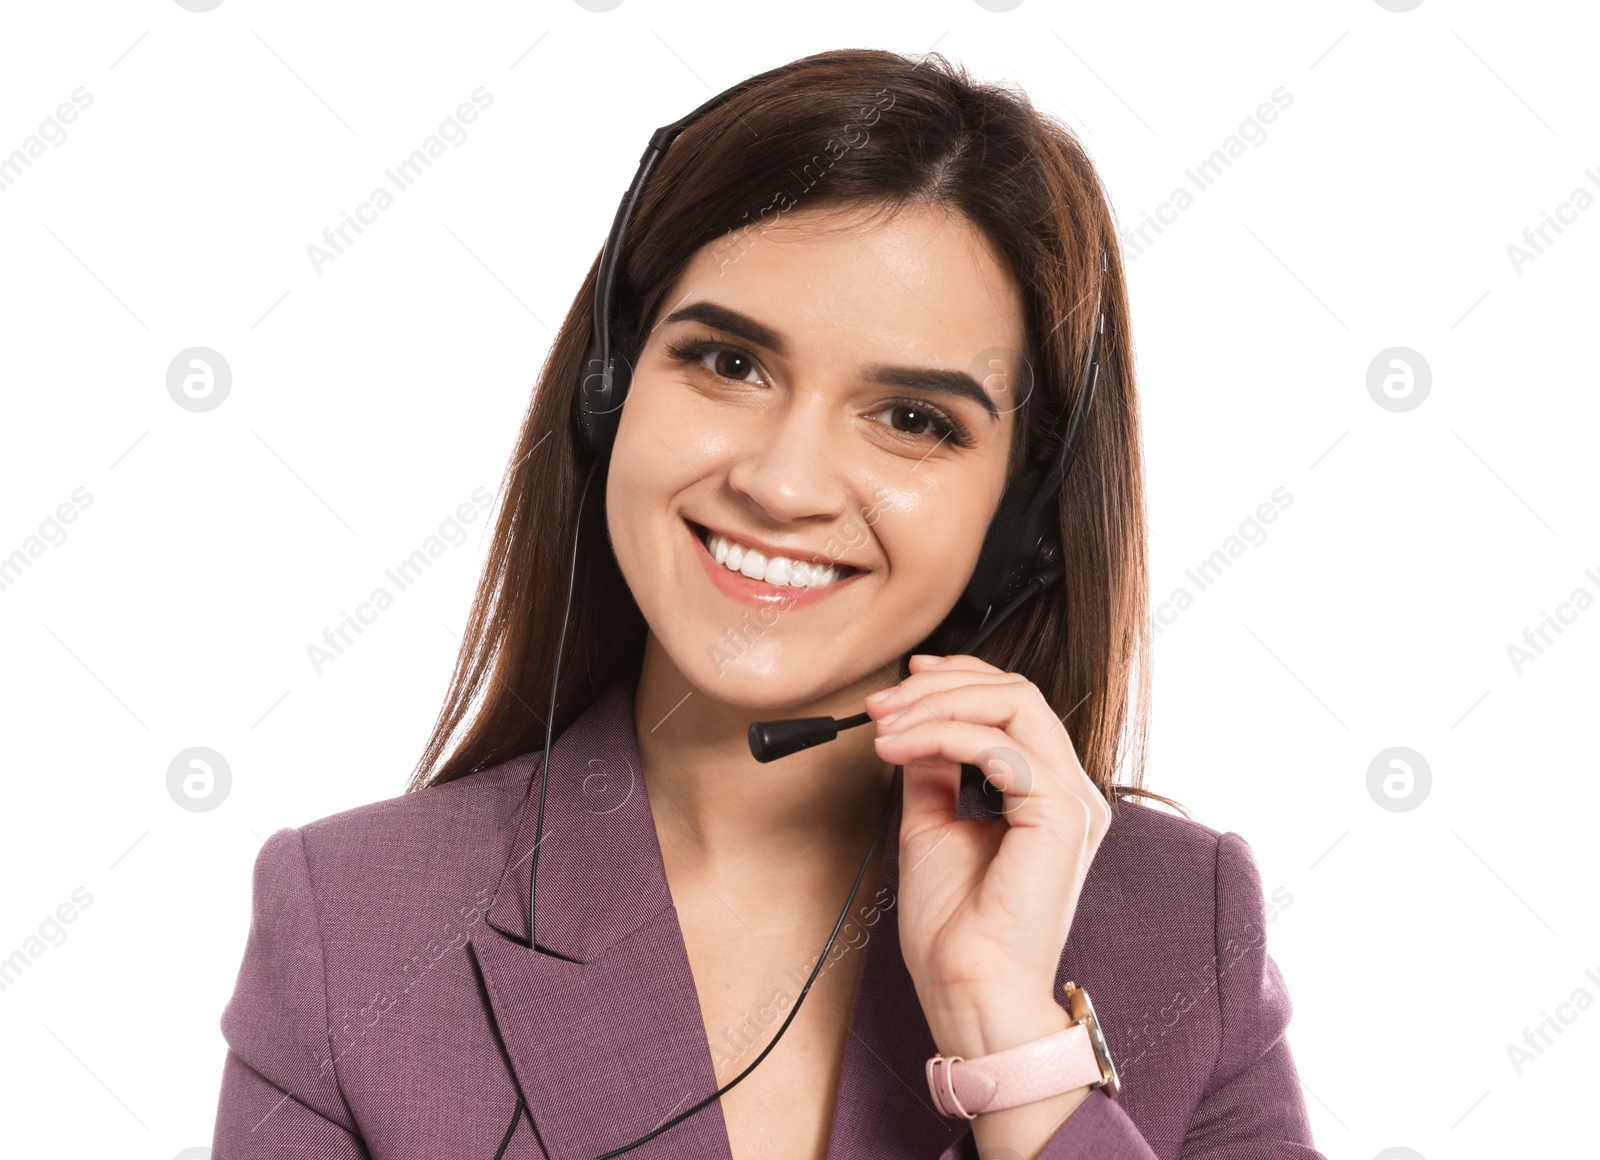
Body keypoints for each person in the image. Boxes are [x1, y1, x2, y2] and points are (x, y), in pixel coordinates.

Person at [211, 48, 1325, 1159]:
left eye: (913, 419)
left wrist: (1011, 1039)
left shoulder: (1186, 924)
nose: (782, 484)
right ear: (610, 386)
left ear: (1020, 515)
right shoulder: (354, 927)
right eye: (729, 362)